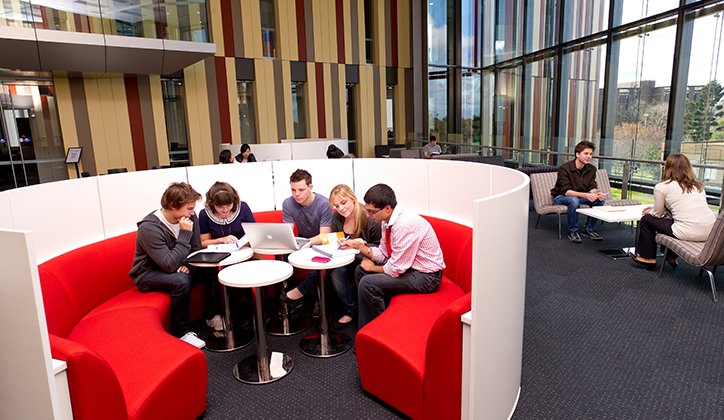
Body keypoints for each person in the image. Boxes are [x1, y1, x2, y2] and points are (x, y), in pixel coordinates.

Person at [129, 182, 219, 349]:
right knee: (181, 281)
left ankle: (212, 315)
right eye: (189, 208)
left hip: (178, 265)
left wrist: (189, 266)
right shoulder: (149, 228)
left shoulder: (190, 217)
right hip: (148, 273)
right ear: (172, 206)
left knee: (211, 266)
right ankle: (182, 332)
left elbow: (195, 249)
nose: (193, 212)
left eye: (193, 208)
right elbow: (168, 265)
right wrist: (184, 233)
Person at [280, 184, 381, 327]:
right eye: (337, 206)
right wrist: (339, 243)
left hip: (366, 258)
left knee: (335, 266)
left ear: (352, 199)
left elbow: (381, 248)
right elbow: (333, 241)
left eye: (343, 203)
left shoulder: (368, 217)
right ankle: (349, 310)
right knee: (335, 269)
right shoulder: (337, 217)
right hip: (346, 259)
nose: (341, 209)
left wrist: (361, 245)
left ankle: (302, 289)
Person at [350, 183, 445, 330]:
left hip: (427, 277)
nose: (368, 215)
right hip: (409, 268)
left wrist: (373, 268)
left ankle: (376, 333)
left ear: (387, 208)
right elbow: (383, 254)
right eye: (367, 210)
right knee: (360, 271)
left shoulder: (404, 224)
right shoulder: (387, 221)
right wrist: (359, 247)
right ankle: (371, 323)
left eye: (371, 211)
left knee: (368, 283)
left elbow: (395, 268)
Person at [630, 154, 716, 269]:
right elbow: (686, 207)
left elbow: (657, 214)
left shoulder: (662, 186)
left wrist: (651, 212)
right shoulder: (698, 186)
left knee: (647, 220)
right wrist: (660, 209)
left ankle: (648, 257)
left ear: (667, 168)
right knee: (671, 221)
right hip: (710, 233)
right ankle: (671, 257)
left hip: (687, 232)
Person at [281, 169, 334, 308]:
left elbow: (324, 237)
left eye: (301, 189)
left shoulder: (324, 203)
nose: (297, 194)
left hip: (322, 244)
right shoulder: (288, 203)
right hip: (304, 243)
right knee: (281, 253)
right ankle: (292, 296)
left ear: (310, 187)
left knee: (326, 257)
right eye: (293, 190)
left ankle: (316, 298)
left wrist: (306, 243)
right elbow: (288, 231)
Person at [551, 140, 606, 243]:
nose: (589, 156)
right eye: (586, 153)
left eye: (590, 154)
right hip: (561, 197)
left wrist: (597, 193)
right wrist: (586, 195)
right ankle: (573, 231)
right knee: (573, 200)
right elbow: (566, 191)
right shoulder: (565, 169)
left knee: (599, 201)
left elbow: (592, 186)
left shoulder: (592, 169)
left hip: (579, 197)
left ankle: (588, 229)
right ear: (577, 154)